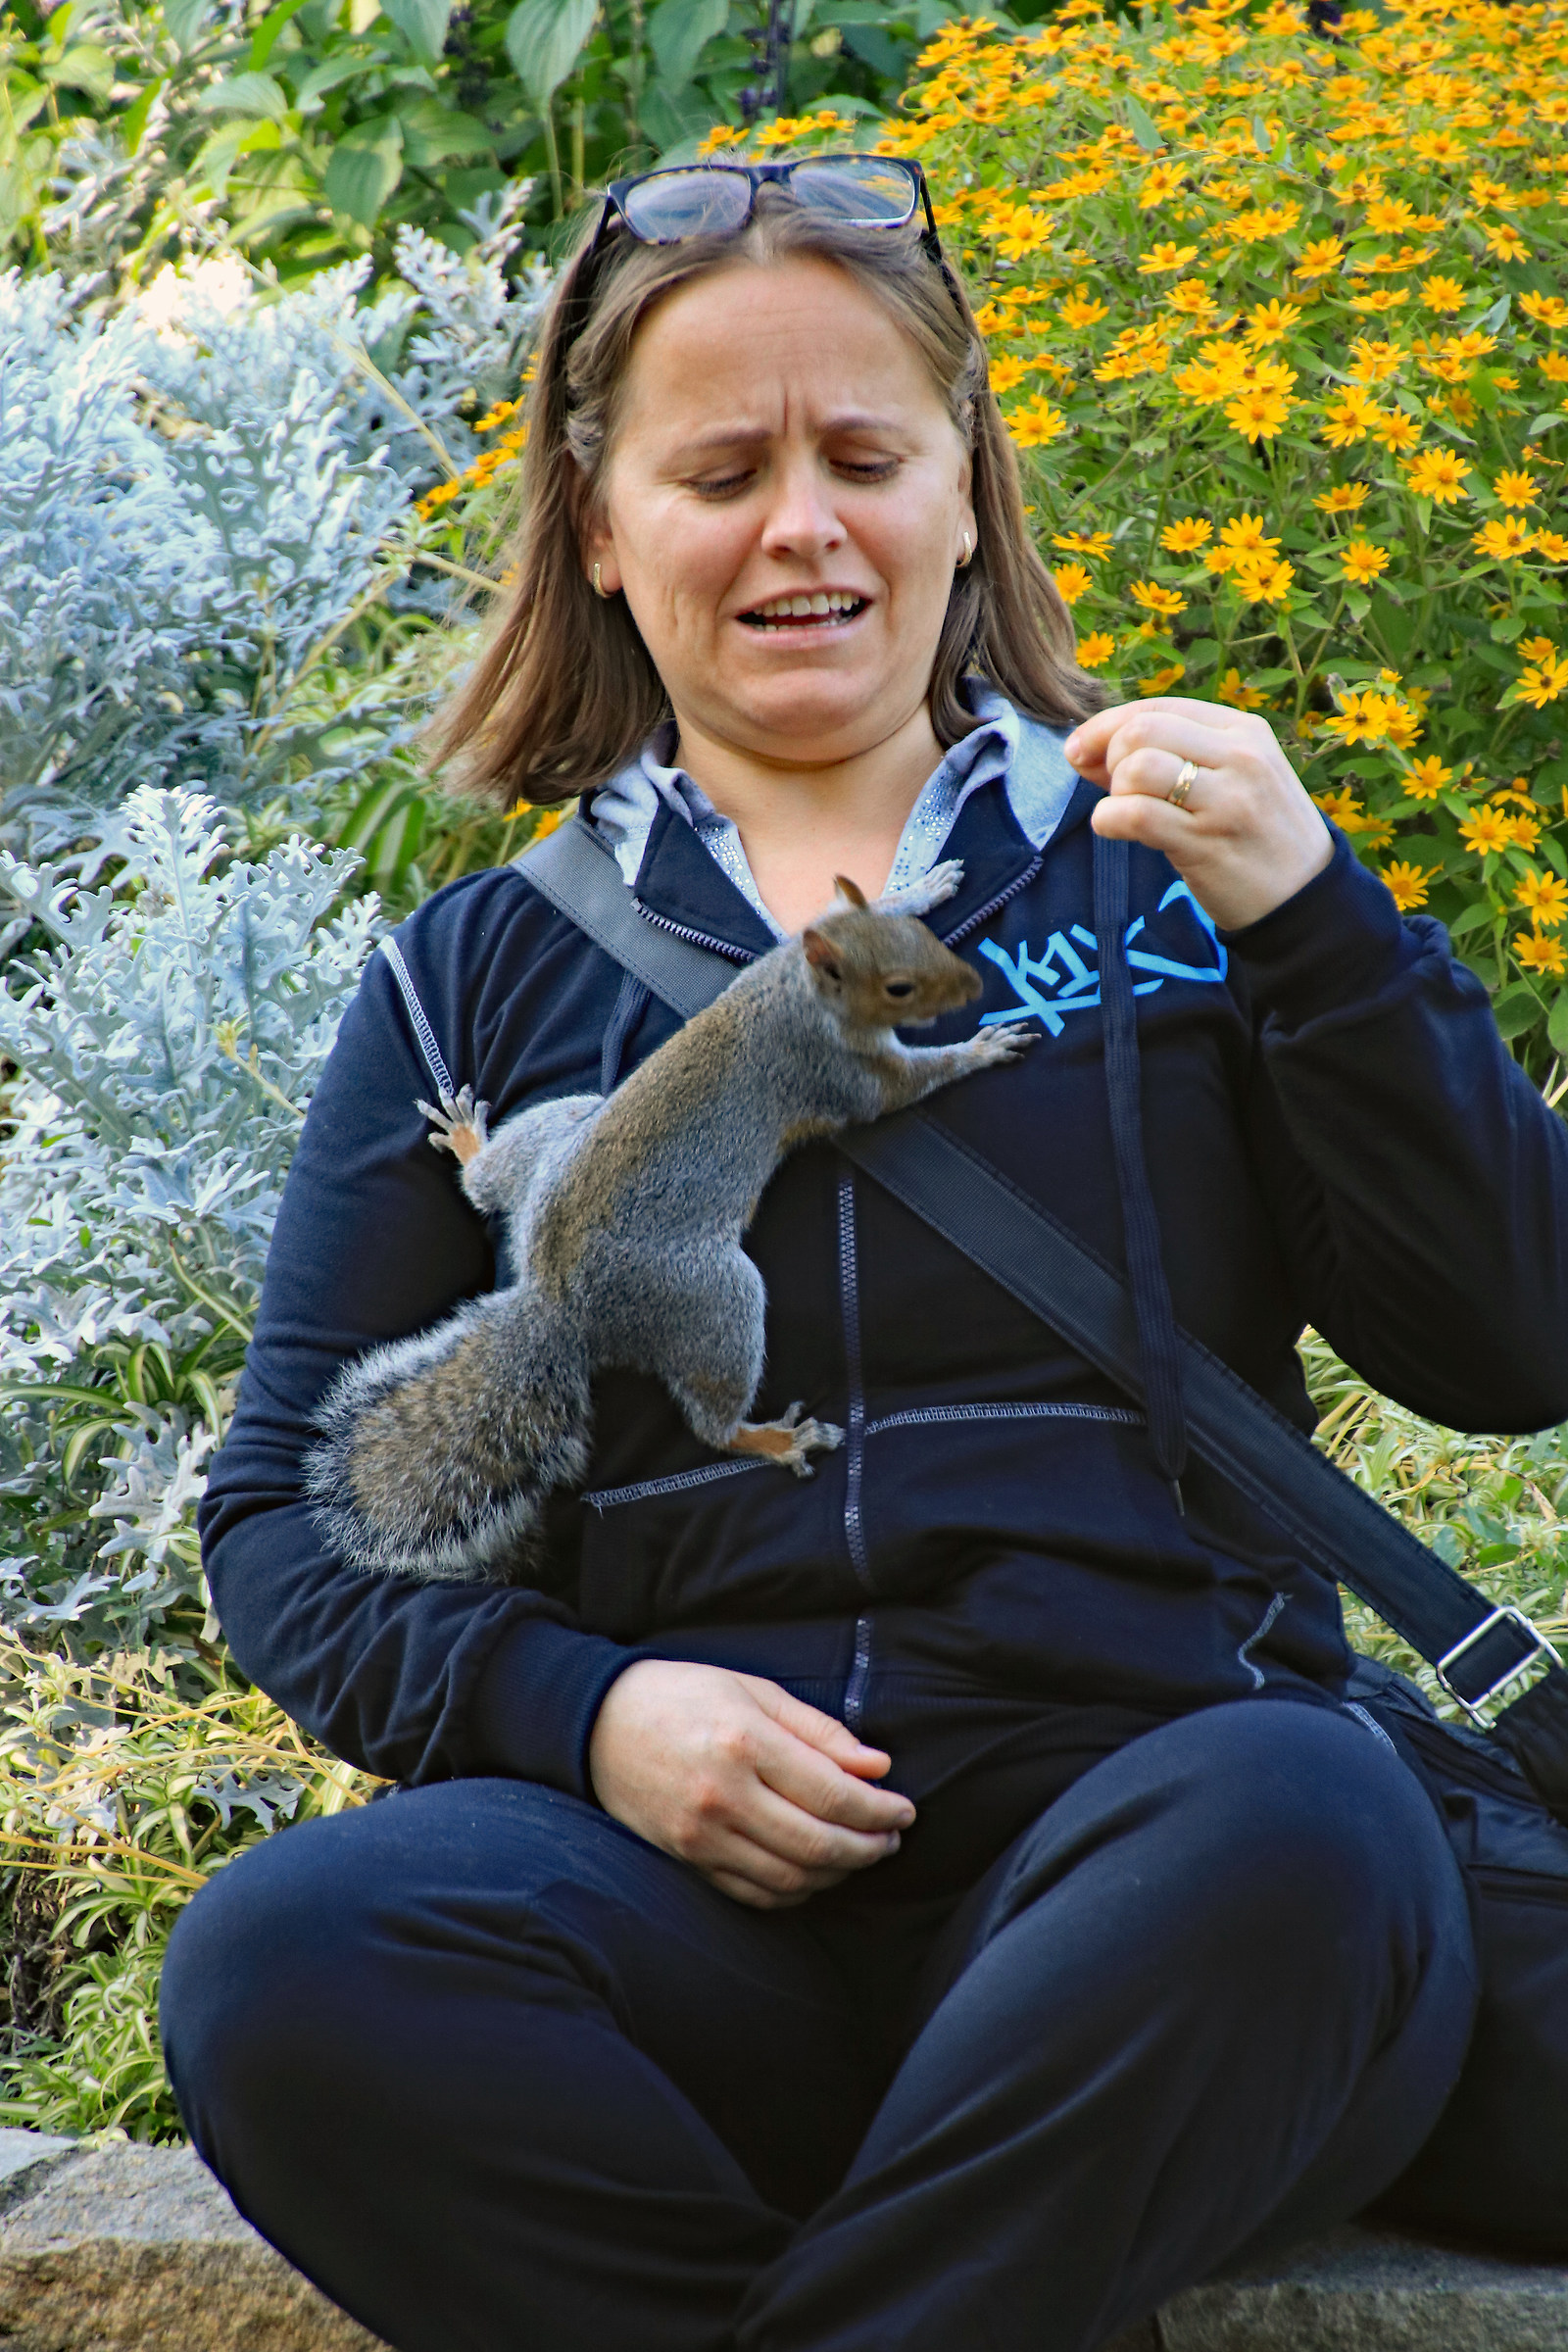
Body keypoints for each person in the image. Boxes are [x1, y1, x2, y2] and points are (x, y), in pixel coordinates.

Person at [161, 155, 1568, 2352]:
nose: (800, 526)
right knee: (291, 1959)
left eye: (861, 458)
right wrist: (593, 1714)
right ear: (604, 526)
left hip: (1157, 1913)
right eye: (718, 470)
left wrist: (1321, 920)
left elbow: (1510, 1340)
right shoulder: (477, 978)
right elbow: (280, 1529)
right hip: (684, 1944)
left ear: (963, 492)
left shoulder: (1174, 883)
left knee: (1299, 1814)